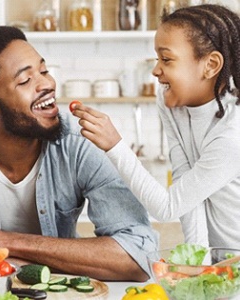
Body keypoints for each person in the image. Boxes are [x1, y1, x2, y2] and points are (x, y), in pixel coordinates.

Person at [0, 26, 158, 282]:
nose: (47, 84)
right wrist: (72, 260)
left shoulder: (81, 140)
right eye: (25, 80)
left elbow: (139, 257)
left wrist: (5, 241)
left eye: (43, 71)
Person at [72, 4, 240, 249]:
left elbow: (168, 207)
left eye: (167, 59)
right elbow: (186, 192)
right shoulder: (172, 103)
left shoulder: (232, 134)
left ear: (211, 65)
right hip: (222, 263)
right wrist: (199, 267)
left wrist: (115, 146)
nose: (156, 70)